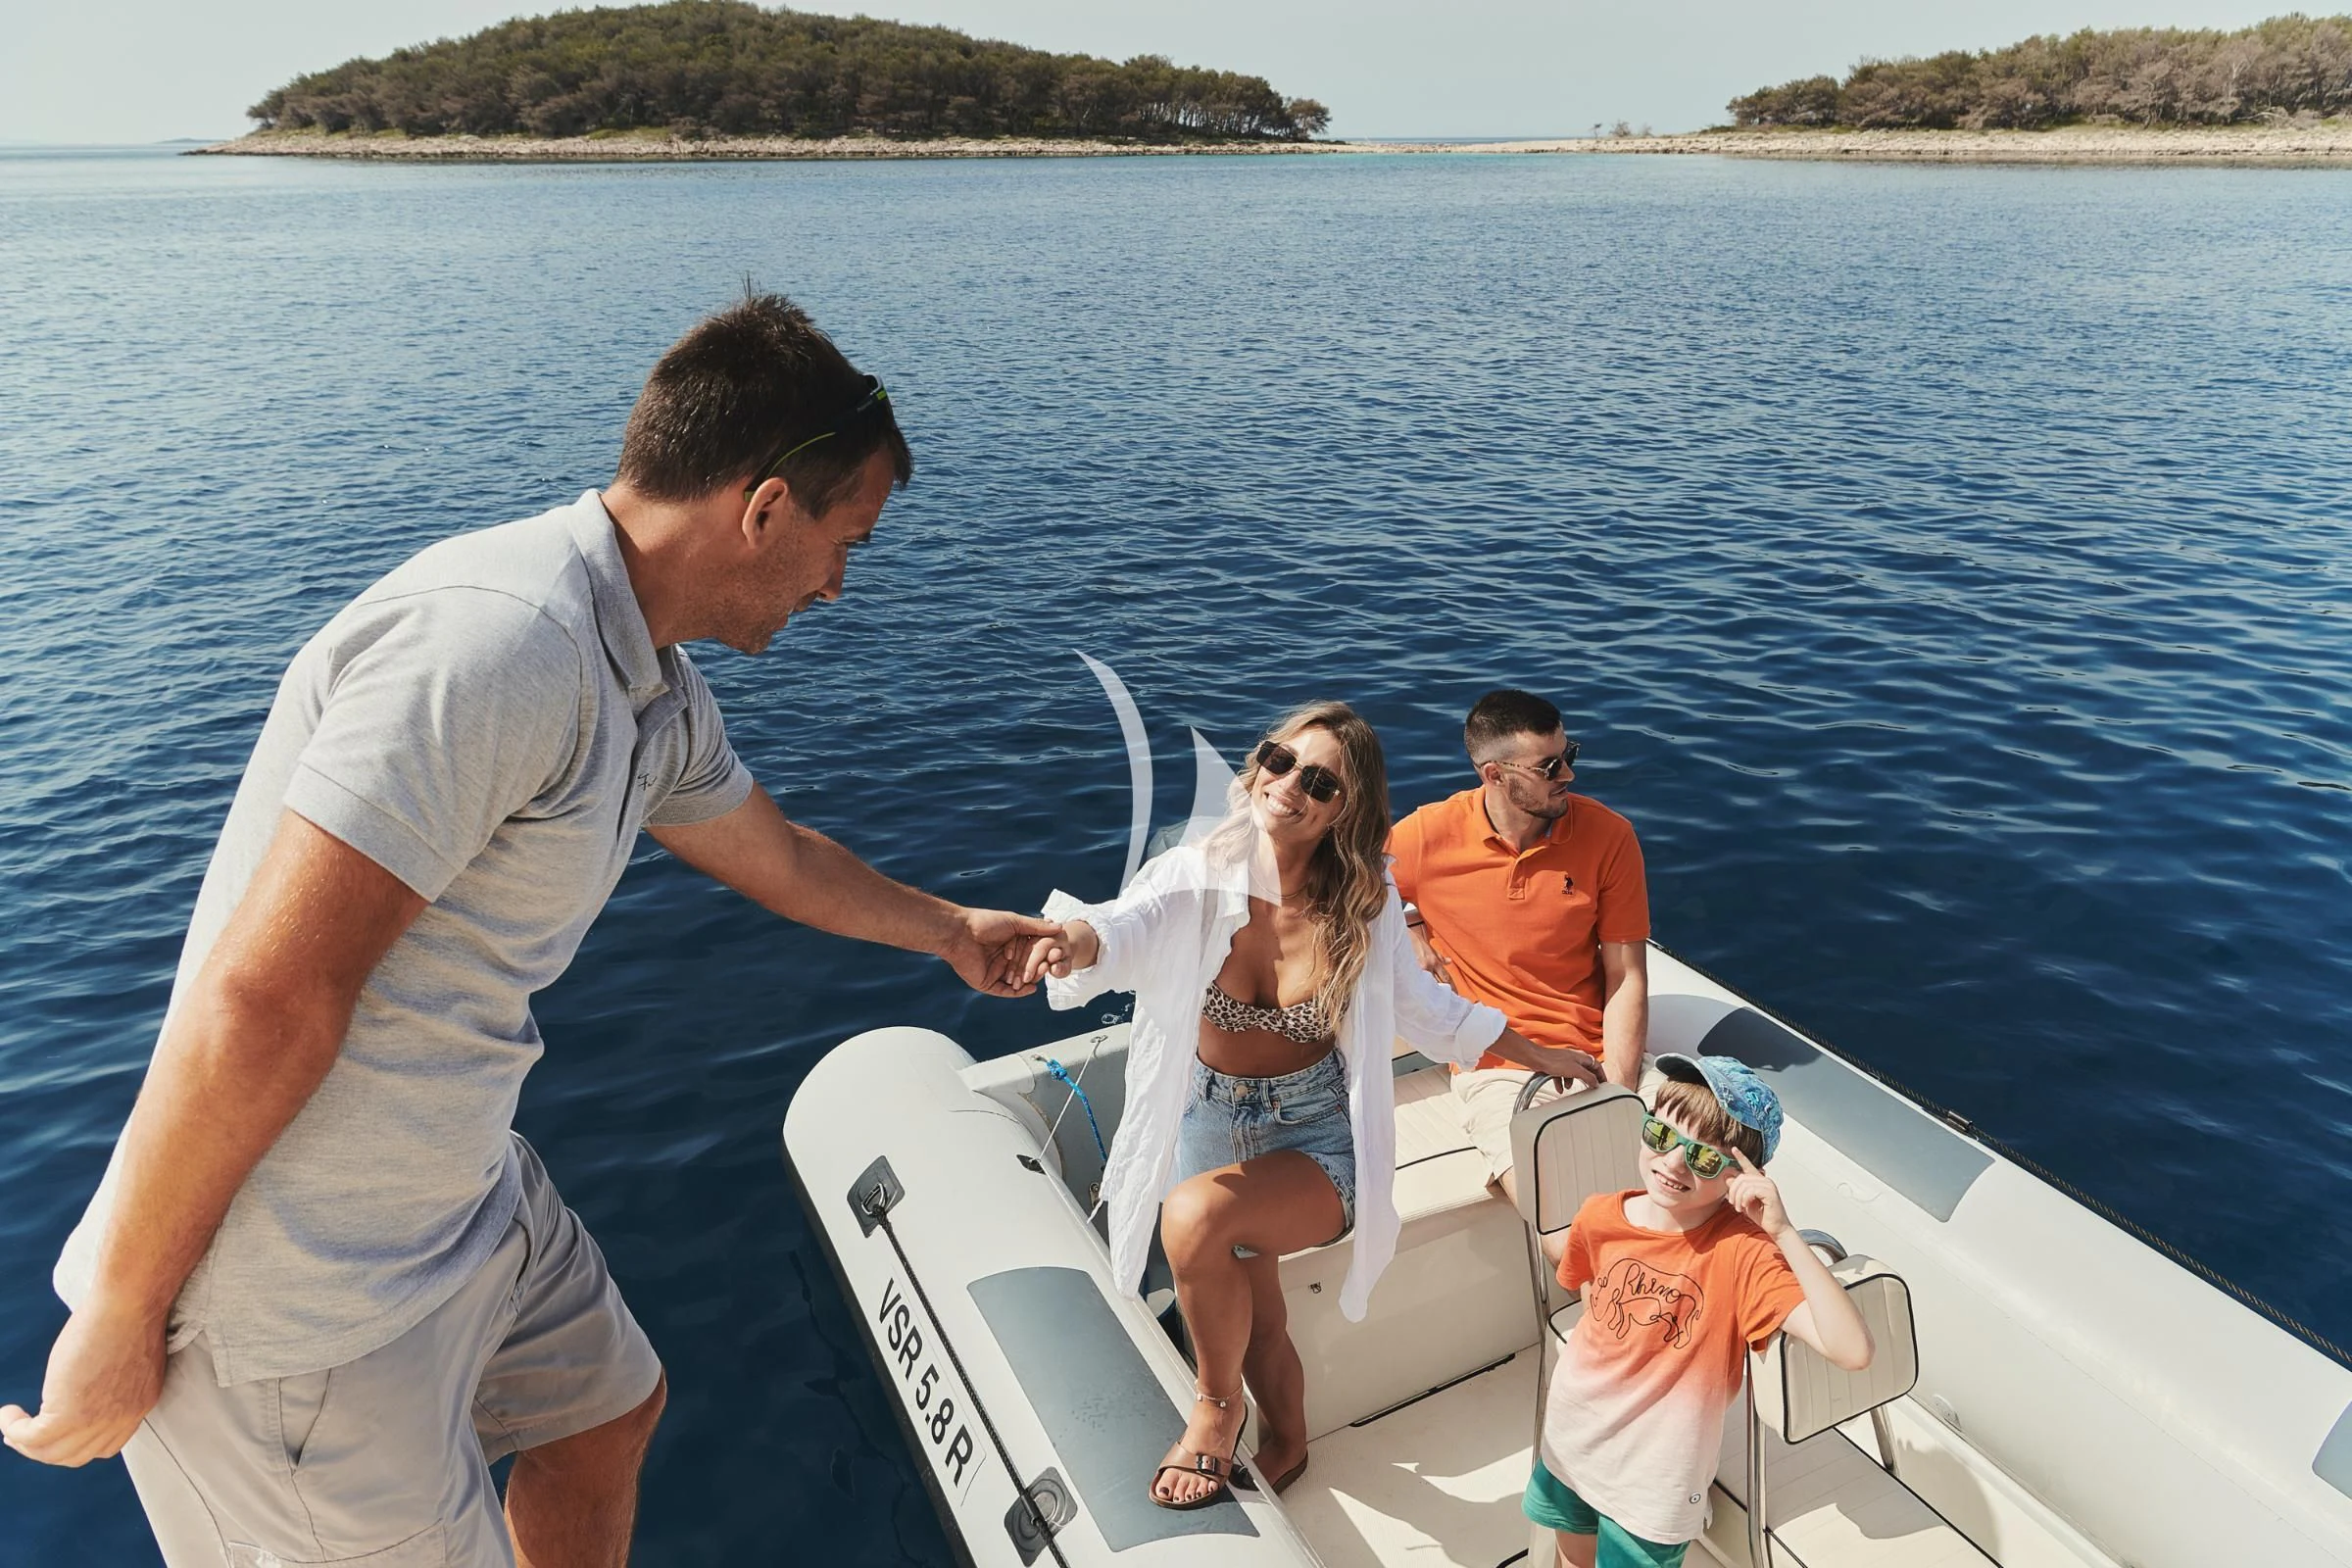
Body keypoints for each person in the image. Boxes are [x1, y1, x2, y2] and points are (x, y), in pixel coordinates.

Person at [0, 293, 1056, 1568]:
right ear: (766, 507)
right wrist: (122, 1309)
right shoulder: (502, 648)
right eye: (848, 544)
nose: (838, 586)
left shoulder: (649, 686)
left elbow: (775, 855)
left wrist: (951, 929)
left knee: (606, 1414)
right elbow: (267, 996)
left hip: (459, 1197)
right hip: (301, 1299)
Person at [1020, 702, 1606, 1510]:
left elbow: (1425, 1008)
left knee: (1192, 1218)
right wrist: (1071, 940)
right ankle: (1288, 1439)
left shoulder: (1363, 903)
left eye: (1321, 782)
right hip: (1209, 1118)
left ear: (1345, 811)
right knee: (1256, 1307)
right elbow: (1124, 927)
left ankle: (1215, 1409)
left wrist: (1543, 1055)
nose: (1290, 785)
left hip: (1316, 1134)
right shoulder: (1196, 872)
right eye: (1279, 759)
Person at [1527, 1054, 1873, 1568]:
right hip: (1571, 1440)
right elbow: (1593, 1306)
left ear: (1743, 1176)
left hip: (1655, 1483)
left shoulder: (1745, 1253)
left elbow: (1853, 1351)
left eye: (1704, 1158)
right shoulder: (1598, 1215)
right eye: (1660, 1134)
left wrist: (1782, 1231)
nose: (1672, 1163)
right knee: (1571, 1557)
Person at [1389, 689, 1650, 1226]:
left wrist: (1618, 1092)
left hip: (1600, 1055)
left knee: (1715, 1168)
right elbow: (1351, 894)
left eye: (1568, 755)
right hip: (1498, 1066)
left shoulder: (1610, 835)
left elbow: (1626, 975)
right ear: (1494, 774)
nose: (1568, 774)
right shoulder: (1427, 835)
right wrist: (1410, 926)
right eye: (1548, 766)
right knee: (1565, 1224)